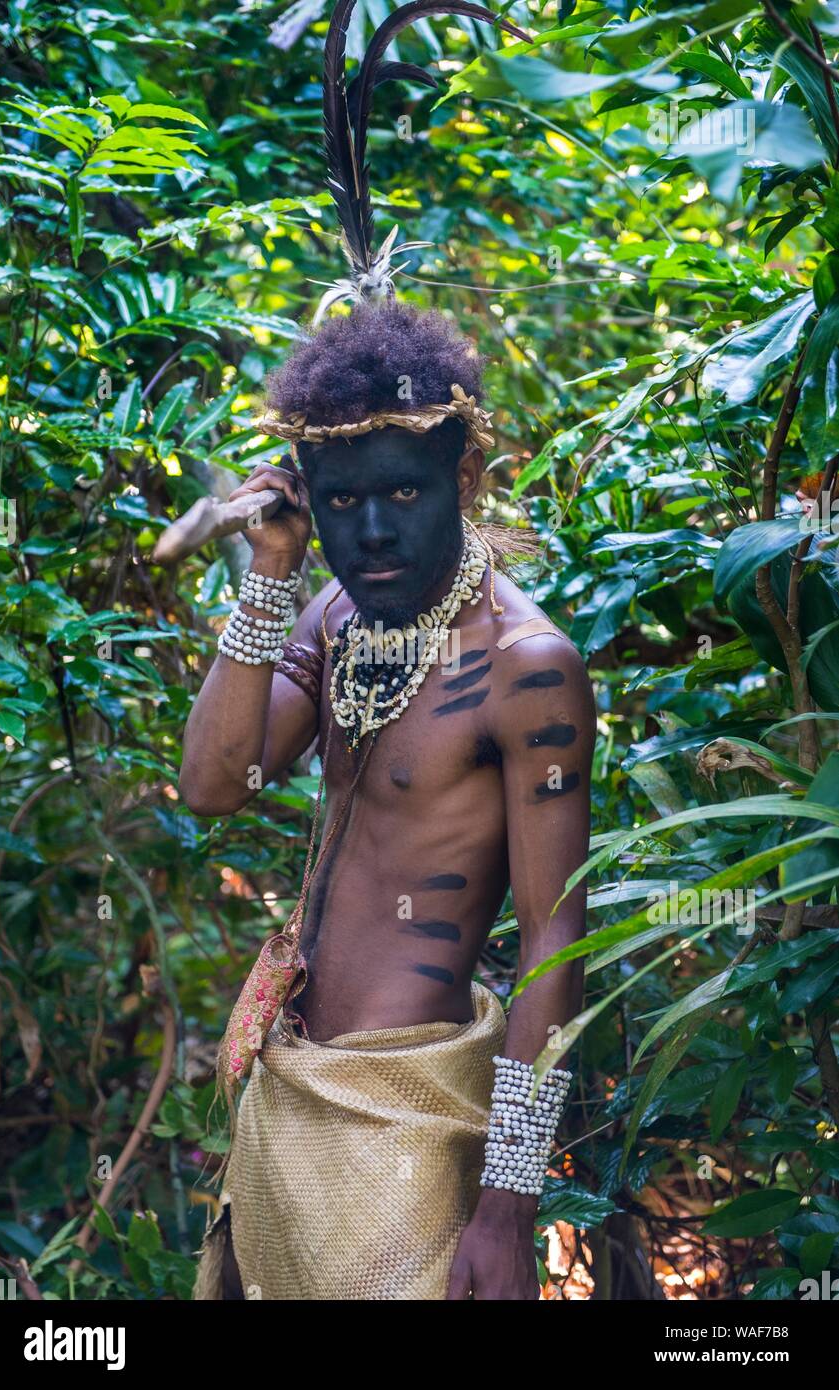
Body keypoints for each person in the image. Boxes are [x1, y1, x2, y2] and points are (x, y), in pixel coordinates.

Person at [182, 1, 596, 1301]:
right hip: (288, 1086)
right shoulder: (334, 614)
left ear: (461, 475)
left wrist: (505, 1211)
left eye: (401, 493)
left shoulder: (526, 666)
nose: (368, 530)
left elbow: (556, 949)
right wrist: (269, 574)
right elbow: (213, 785)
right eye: (338, 498)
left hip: (412, 1113)